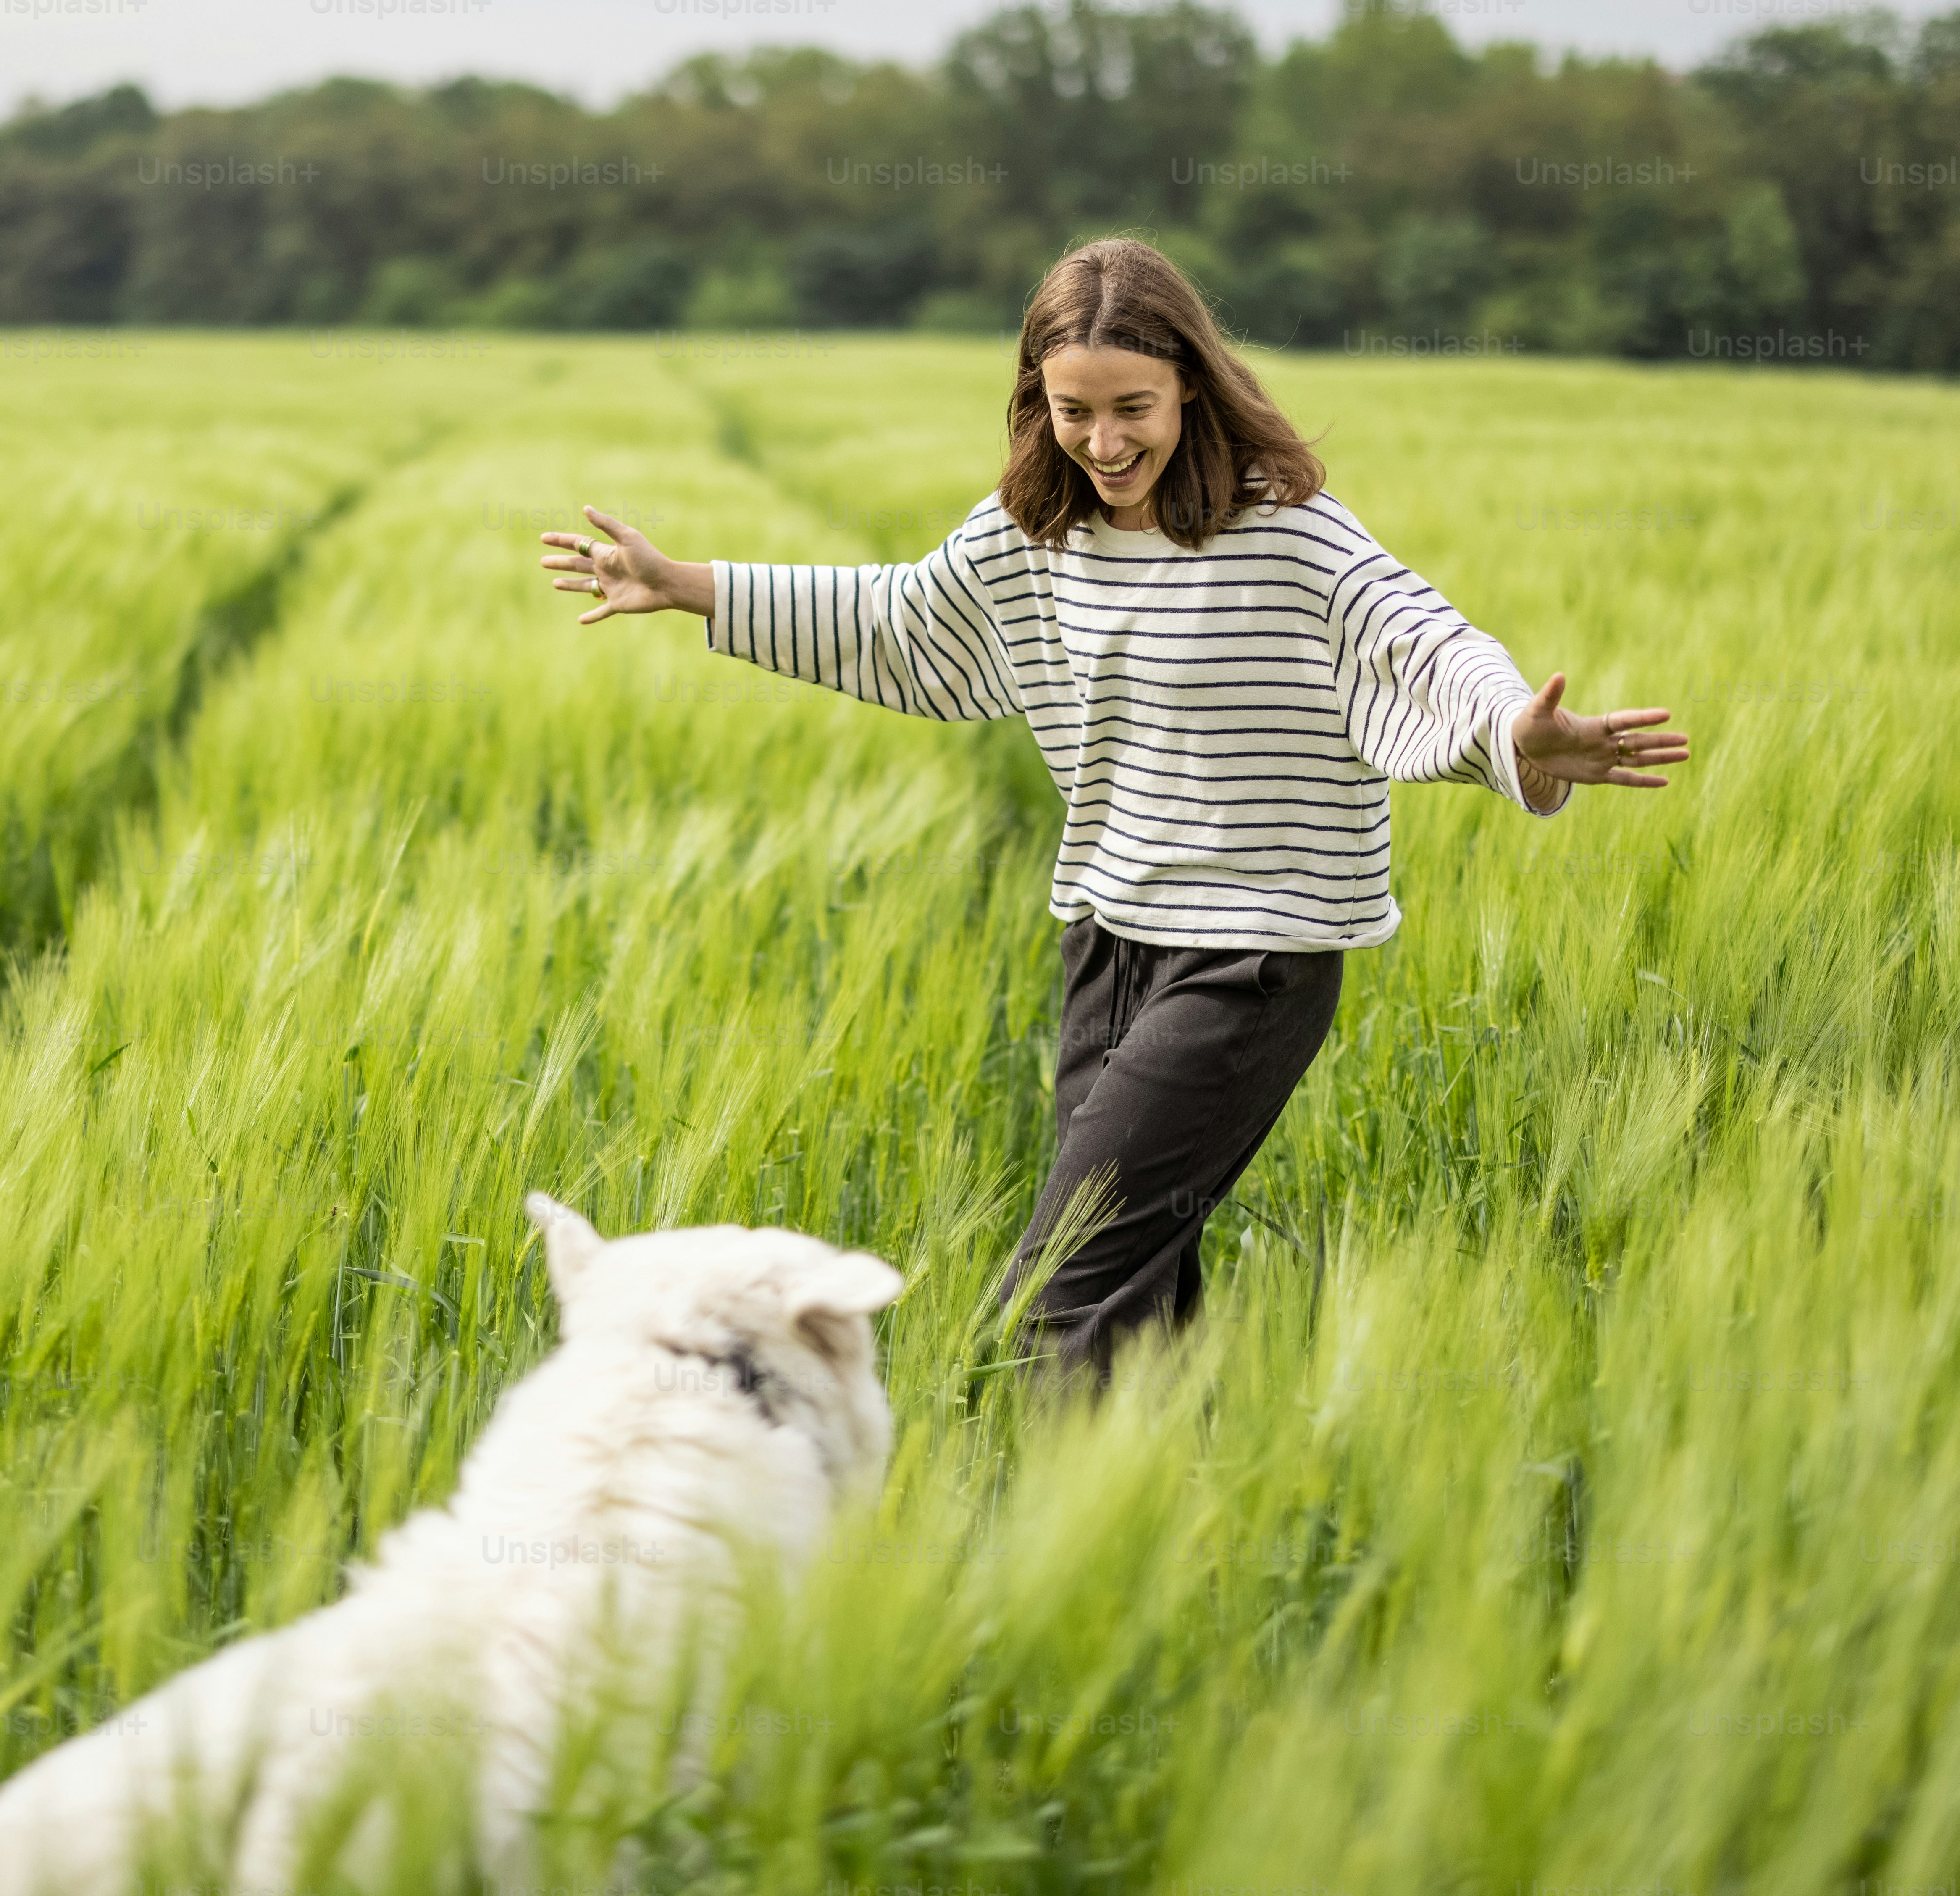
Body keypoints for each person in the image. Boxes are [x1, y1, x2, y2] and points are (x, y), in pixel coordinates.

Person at [533, 237, 1687, 1385]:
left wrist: (1512, 733)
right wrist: (682, 586)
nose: (1105, 442)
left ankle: (1064, 1538)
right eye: (1072, 412)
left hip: (1253, 962)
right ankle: (1171, 1534)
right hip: (1108, 944)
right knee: (1136, 1293)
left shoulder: (1289, 533)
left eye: (1133, 407)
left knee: (1059, 1292)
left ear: (1192, 380)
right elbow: (897, 622)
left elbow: (1421, 641)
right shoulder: (1036, 532)